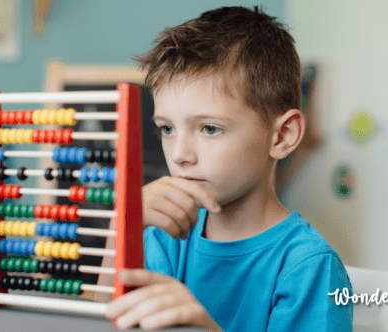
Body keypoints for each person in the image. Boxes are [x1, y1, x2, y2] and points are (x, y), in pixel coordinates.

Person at [103, 6, 353, 331]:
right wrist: (122, 225)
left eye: (209, 129)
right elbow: (103, 321)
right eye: (167, 129)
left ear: (282, 135)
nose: (179, 155)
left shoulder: (308, 268)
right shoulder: (163, 238)